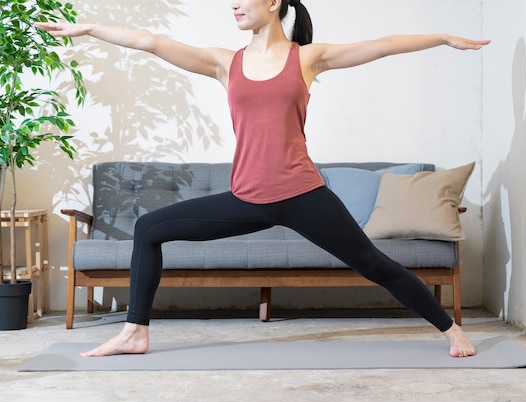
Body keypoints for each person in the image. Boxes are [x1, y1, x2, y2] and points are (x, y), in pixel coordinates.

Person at [36, 0, 490, 358]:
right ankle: (135, 332)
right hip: (247, 198)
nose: (233, 5)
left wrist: (444, 37)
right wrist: (91, 29)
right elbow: (151, 41)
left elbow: (385, 43)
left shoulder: (308, 57)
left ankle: (451, 330)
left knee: (373, 263)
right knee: (148, 229)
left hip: (304, 194)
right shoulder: (223, 62)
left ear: (273, 2)